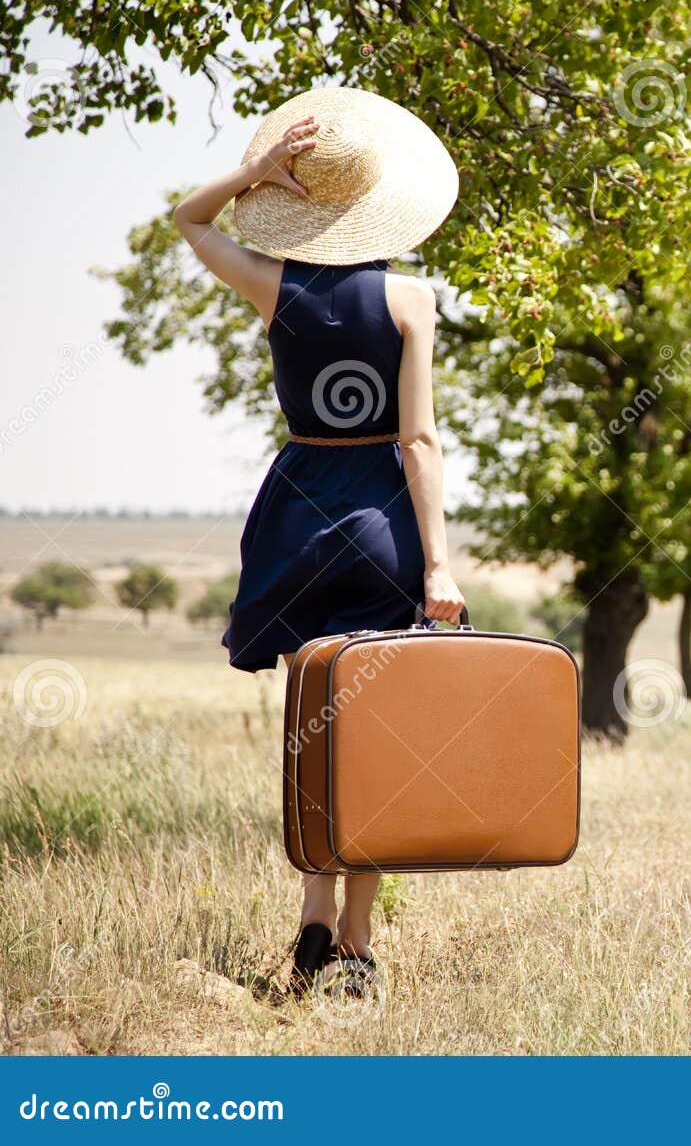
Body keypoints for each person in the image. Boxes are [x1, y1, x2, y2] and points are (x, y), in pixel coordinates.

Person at [172, 86, 465, 993]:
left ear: (303, 205)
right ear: (381, 203)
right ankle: (357, 940)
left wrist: (255, 173)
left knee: (313, 727)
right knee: (375, 734)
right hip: (382, 518)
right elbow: (419, 439)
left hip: (296, 514)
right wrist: (441, 563)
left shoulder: (270, 284)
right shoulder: (413, 298)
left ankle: (309, 915)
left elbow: (188, 218)